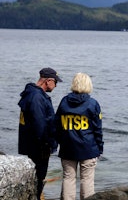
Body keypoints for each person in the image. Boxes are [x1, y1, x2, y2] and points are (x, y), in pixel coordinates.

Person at [55, 72, 103, 200]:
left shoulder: (64, 102)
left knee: (68, 178)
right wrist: (100, 148)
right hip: (88, 148)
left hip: (67, 147)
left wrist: (60, 142)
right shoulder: (93, 104)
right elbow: (97, 129)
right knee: (86, 180)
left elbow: (57, 125)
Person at [18, 67, 63, 200]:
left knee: (34, 178)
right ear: (48, 81)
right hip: (38, 147)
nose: (56, 85)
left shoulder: (31, 94)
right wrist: (46, 144)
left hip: (31, 144)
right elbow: (40, 124)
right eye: (56, 82)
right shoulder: (37, 97)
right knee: (38, 179)